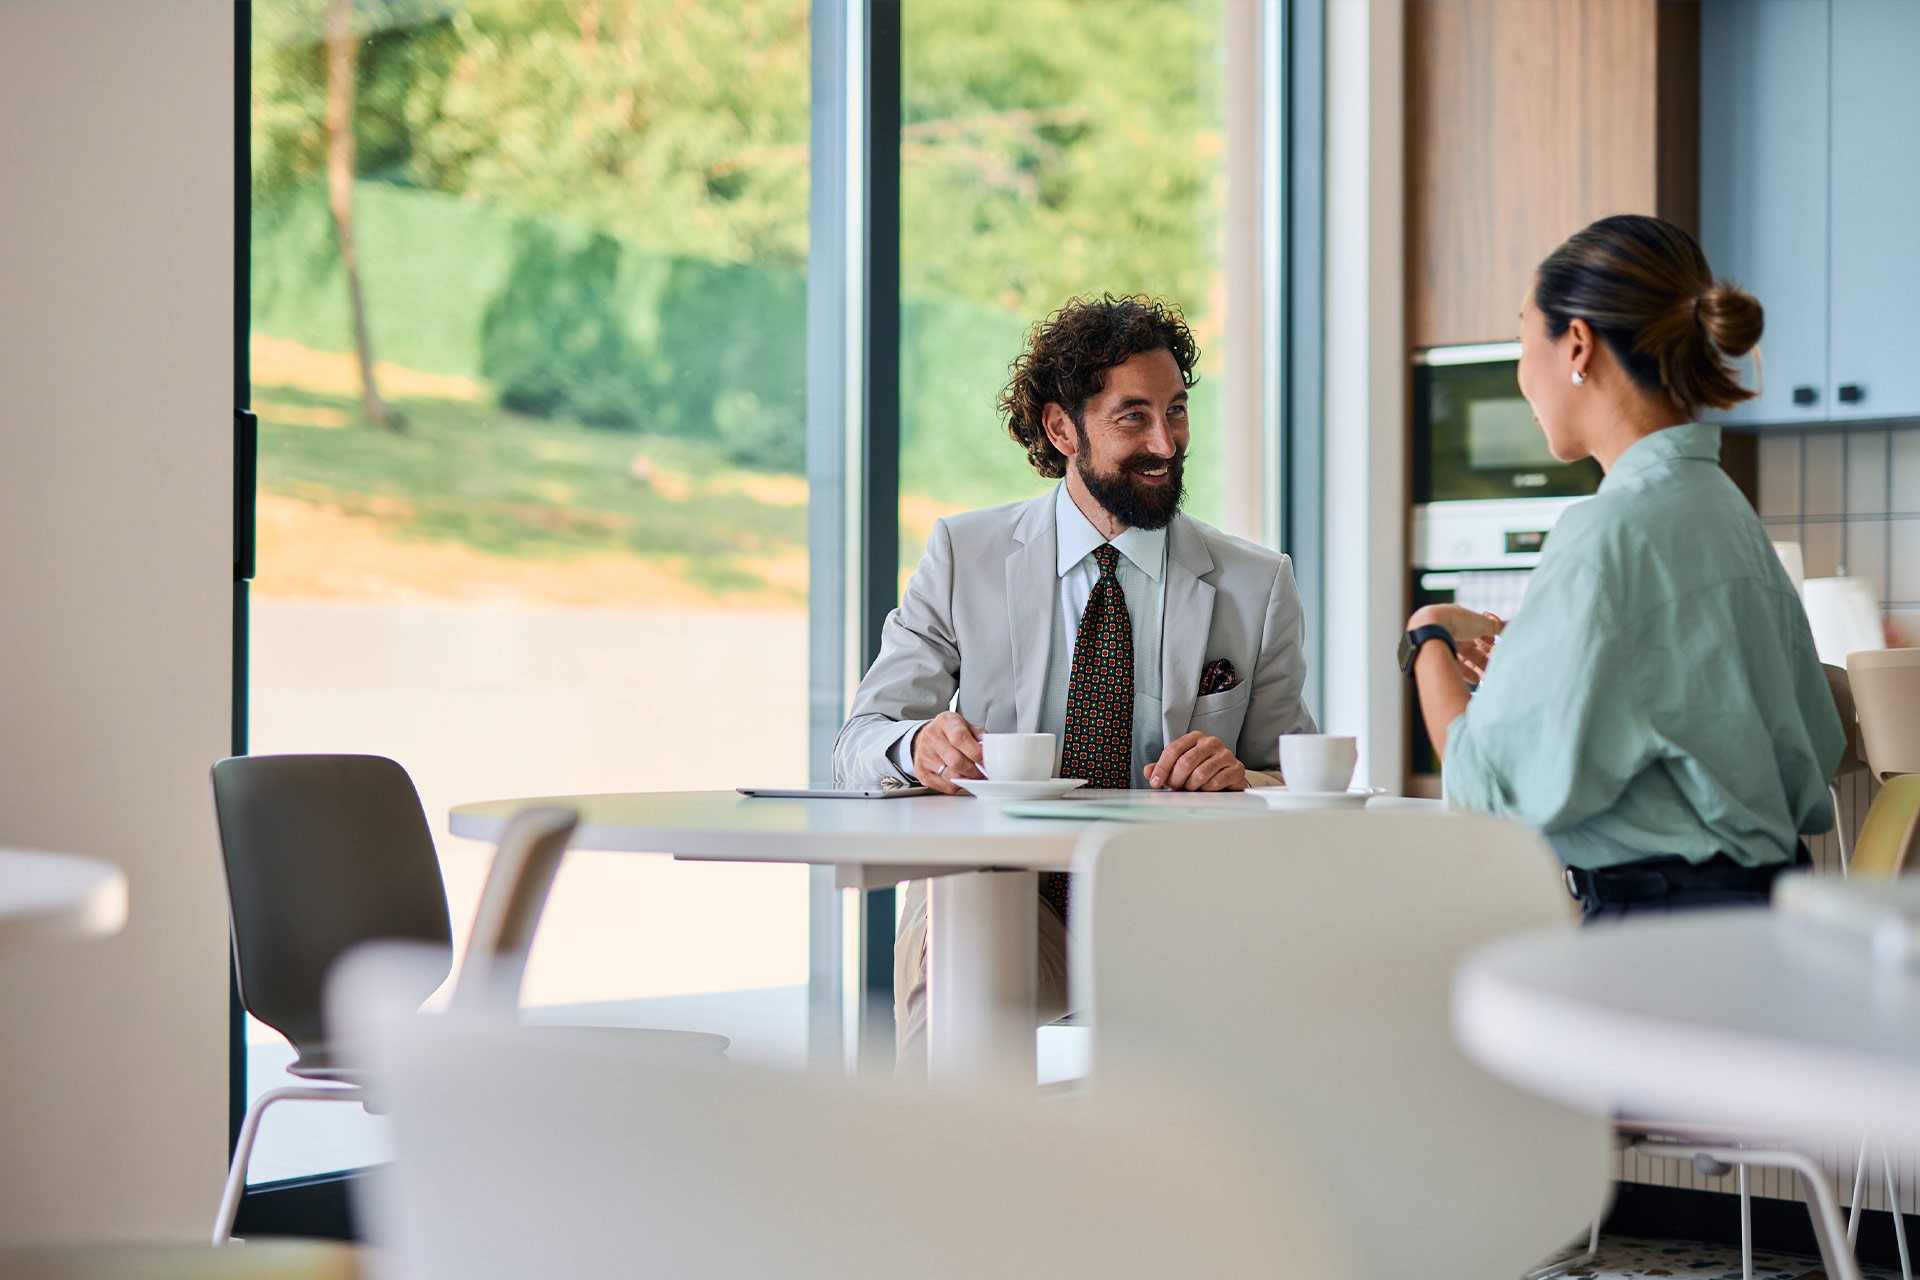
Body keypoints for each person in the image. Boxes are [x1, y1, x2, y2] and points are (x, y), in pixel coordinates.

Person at [834, 293, 1315, 1071]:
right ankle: (956, 1179)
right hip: (1007, 896)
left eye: (1178, 411)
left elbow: (1296, 779)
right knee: (959, 993)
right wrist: (918, 744)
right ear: (1062, 429)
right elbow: (859, 744)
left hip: (1185, 907)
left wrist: (1240, 776)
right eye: (1134, 417)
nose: (1167, 441)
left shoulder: (1257, 585)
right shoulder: (966, 555)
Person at [1400, 214, 1844, 919]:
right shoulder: (1724, 509)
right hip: (1761, 920)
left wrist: (1425, 638)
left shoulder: (1607, 533)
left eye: (1522, 339)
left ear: (1576, 343)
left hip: (1662, 931)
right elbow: (1814, 741)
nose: (1521, 375)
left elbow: (1482, 786)